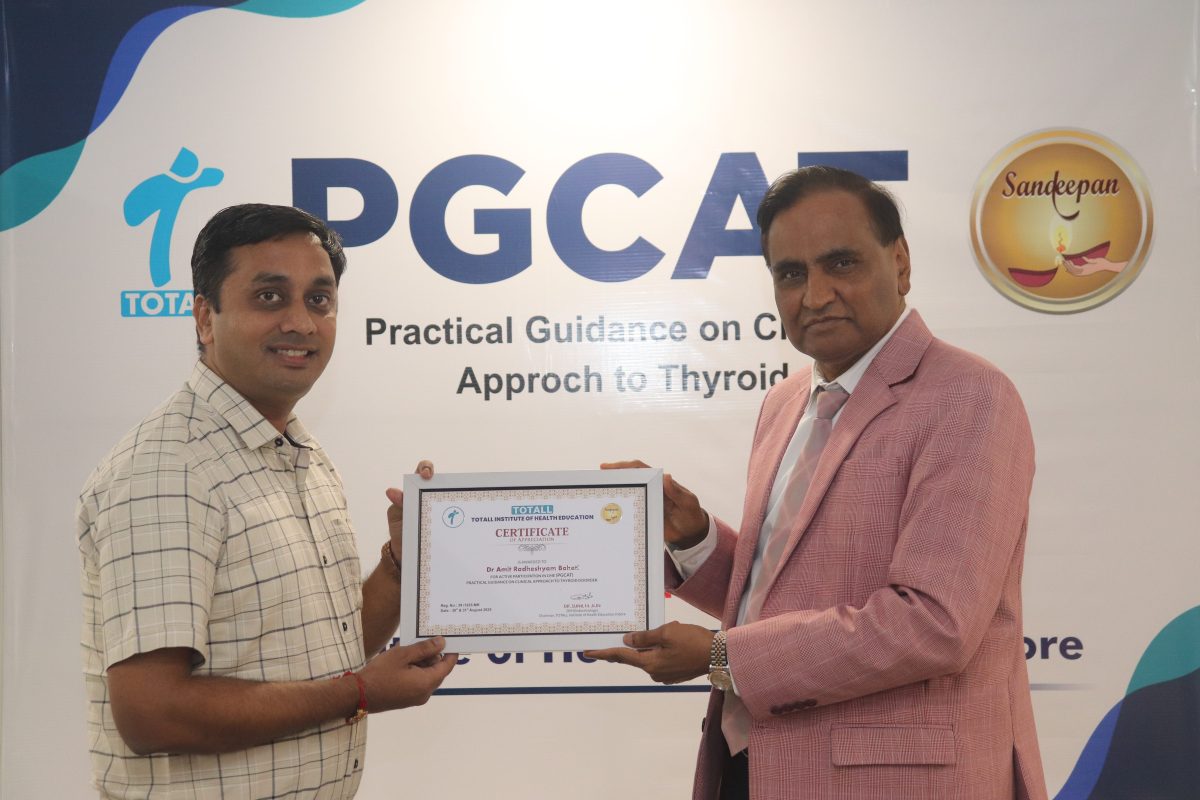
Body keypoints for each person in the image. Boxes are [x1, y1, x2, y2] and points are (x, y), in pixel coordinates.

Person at [589, 167, 1048, 800]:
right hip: (753, 765)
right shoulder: (785, 403)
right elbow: (785, 599)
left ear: (901, 262)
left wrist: (721, 657)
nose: (815, 295)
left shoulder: (969, 397)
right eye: (791, 274)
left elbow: (934, 624)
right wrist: (695, 540)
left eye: (841, 263)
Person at [77, 204, 455, 798]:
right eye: (270, 297)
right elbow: (152, 713)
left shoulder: (302, 454)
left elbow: (324, 651)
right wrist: (360, 693)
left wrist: (399, 565)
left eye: (319, 299)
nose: (301, 322)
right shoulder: (168, 470)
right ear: (205, 317)